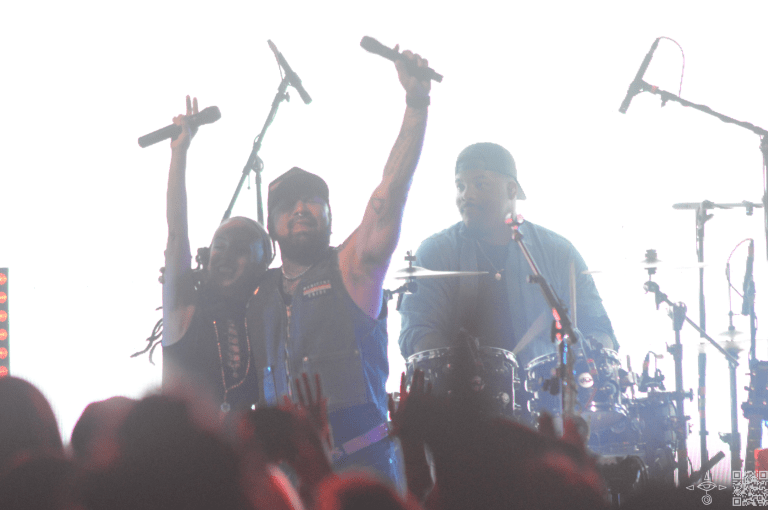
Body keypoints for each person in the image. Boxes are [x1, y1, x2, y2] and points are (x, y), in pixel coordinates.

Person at [246, 47, 432, 487]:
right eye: (287, 204)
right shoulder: (259, 297)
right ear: (271, 226)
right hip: (288, 478)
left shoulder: (351, 269)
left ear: (331, 215)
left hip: (361, 473)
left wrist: (416, 105)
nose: (301, 209)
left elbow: (389, 197)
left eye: (313, 200)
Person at [397, 142, 617, 410]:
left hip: (546, 411)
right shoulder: (435, 253)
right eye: (460, 186)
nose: (466, 195)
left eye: (480, 184)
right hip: (462, 413)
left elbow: (600, 329)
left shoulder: (558, 253)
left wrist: (588, 356)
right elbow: (416, 333)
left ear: (511, 189)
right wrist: (459, 366)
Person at [161, 96, 273, 413]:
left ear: (260, 266)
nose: (223, 256)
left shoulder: (265, 320)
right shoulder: (184, 309)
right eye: (219, 247)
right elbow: (176, 231)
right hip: (185, 457)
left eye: (240, 250)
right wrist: (179, 153)